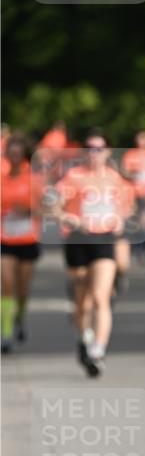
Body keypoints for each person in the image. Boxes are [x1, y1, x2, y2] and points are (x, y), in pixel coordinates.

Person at [53, 130, 133, 376]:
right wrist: (66, 217)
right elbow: (53, 204)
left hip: (104, 239)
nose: (94, 153)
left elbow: (126, 208)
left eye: (99, 148)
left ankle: (97, 352)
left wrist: (120, 219)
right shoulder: (73, 177)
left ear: (108, 152)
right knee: (82, 302)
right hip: (78, 239)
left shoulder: (115, 179)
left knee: (100, 297)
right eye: (89, 148)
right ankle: (84, 338)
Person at [1, 136, 43, 353]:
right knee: (6, 285)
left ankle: (21, 315)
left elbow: (44, 209)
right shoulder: (2, 177)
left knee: (22, 289)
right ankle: (5, 332)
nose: (14, 158)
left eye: (18, 154)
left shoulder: (33, 178)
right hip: (6, 239)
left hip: (28, 239)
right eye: (11, 154)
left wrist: (26, 211)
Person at [121, 130, 145, 266]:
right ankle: (132, 249)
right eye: (139, 140)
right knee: (133, 223)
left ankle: (144, 250)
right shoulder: (130, 155)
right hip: (132, 194)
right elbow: (124, 172)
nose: (142, 143)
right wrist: (134, 175)